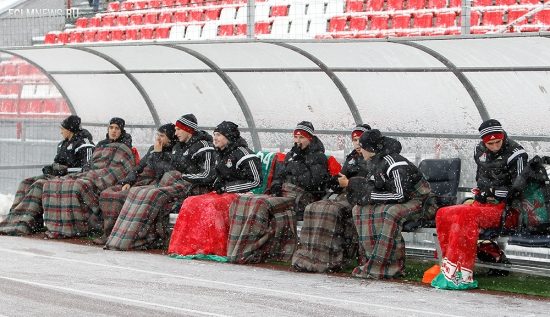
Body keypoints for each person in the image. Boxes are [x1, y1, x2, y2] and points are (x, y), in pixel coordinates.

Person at [431, 119, 528, 290]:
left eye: (498, 142)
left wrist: (492, 192)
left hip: (508, 210)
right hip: (482, 204)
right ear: (483, 141)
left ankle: (463, 273)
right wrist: (483, 193)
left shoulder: (517, 154)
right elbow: (480, 178)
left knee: (465, 215)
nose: (495, 146)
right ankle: (448, 267)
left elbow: (520, 191)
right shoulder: (479, 150)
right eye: (490, 143)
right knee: (443, 213)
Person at [104, 114, 217, 250]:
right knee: (137, 191)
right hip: (174, 181)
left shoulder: (204, 146)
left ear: (187, 129)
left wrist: (184, 176)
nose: (176, 133)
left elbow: (208, 174)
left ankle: (134, 240)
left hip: (193, 186)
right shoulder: (179, 147)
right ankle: (119, 238)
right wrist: (128, 181)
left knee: (153, 195)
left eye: (178, 130)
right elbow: (167, 169)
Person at [226, 121, 328, 264]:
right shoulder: (291, 154)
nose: (298, 141)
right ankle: (235, 250)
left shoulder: (319, 157)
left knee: (260, 204)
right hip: (282, 194)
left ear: (310, 138)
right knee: (242, 200)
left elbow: (312, 183)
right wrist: (275, 185)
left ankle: (247, 251)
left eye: (302, 138)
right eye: (296, 137)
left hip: (299, 196)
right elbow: (279, 175)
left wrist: (299, 164)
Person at [168, 121, 263, 258]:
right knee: (190, 202)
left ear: (228, 136)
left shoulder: (244, 154)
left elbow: (256, 181)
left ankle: (215, 247)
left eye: (218, 135)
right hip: (222, 193)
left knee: (211, 205)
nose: (215, 138)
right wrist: (218, 184)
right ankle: (188, 246)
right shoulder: (219, 154)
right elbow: (217, 175)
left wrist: (227, 188)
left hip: (242, 195)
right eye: (214, 135)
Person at [347, 129, 434, 279]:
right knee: (359, 210)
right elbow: (372, 186)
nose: (360, 151)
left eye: (362, 147)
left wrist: (371, 196)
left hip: (422, 202)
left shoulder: (395, 163)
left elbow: (400, 195)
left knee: (390, 212)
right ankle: (369, 260)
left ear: (370, 149)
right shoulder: (374, 162)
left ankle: (389, 266)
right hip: (400, 201)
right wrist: (365, 197)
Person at [292, 124, 371, 272]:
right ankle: (309, 255)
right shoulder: (352, 157)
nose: (357, 144)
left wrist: (350, 183)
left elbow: (371, 184)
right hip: (345, 195)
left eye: (360, 140)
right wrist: (335, 182)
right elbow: (341, 178)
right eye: (354, 140)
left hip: (360, 198)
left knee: (329, 211)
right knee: (312, 207)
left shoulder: (373, 158)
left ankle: (330, 257)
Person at [41, 118, 135, 239]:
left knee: (76, 186)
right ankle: (60, 225)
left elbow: (123, 168)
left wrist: (99, 174)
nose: (113, 131)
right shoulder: (101, 144)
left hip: (106, 175)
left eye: (117, 128)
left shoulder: (125, 146)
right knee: (55, 183)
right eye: (111, 128)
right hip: (93, 172)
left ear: (121, 130)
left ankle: (78, 226)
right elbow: (92, 163)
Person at [0, 115, 94, 235]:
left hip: (71, 177)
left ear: (70, 129)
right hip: (58, 175)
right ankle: (15, 220)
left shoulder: (85, 144)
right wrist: (52, 168)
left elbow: (87, 167)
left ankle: (25, 222)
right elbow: (58, 162)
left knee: (39, 185)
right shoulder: (63, 144)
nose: (61, 132)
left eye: (63, 129)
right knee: (25, 183)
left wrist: (64, 170)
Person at [94, 124, 176, 245]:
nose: (158, 139)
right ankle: (110, 233)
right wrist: (128, 181)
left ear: (170, 138)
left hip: (153, 183)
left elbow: (162, 174)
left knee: (121, 197)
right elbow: (139, 167)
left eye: (162, 136)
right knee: (108, 193)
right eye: (157, 135)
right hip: (140, 180)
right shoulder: (153, 148)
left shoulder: (174, 152)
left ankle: (124, 234)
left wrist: (158, 154)